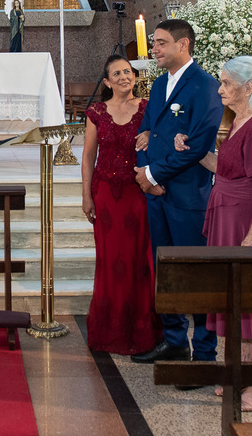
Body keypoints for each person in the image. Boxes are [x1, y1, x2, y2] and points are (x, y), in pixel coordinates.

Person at [176, 56, 252, 412]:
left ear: (249, 88)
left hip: (248, 223)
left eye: (226, 83)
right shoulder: (237, 121)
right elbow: (225, 168)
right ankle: (239, 374)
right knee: (234, 300)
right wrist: (192, 151)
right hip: (229, 216)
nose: (220, 89)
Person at [130, 20, 223, 370]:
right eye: (154, 43)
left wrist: (154, 173)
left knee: (194, 275)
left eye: (161, 43)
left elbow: (197, 145)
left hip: (187, 197)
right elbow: (144, 134)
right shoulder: (157, 85)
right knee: (165, 271)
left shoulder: (204, 86)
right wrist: (145, 175)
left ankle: (204, 354)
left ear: (183, 45)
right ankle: (173, 341)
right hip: (157, 194)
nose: (154, 49)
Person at [81, 55, 158, 354]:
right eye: (117, 73)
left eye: (128, 72)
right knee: (110, 261)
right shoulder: (96, 112)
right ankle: (109, 330)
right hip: (105, 194)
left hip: (137, 192)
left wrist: (151, 134)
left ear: (135, 78)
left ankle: (140, 331)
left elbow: (161, 139)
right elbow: (88, 156)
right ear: (107, 81)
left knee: (139, 261)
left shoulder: (148, 107)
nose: (125, 77)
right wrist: (86, 195)